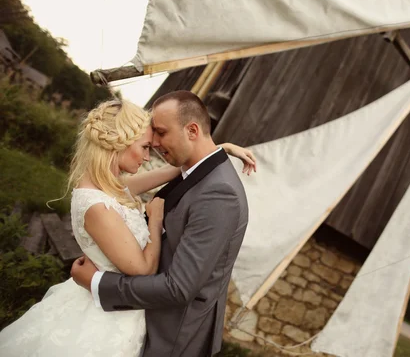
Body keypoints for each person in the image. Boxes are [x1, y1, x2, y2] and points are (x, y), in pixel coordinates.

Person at [0, 93, 253, 356]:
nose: (152, 147)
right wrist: (155, 222)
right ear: (120, 143)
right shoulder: (101, 196)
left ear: (192, 130)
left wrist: (217, 150)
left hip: (164, 328)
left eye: (160, 134)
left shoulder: (217, 192)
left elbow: (178, 286)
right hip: (108, 320)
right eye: (146, 144)